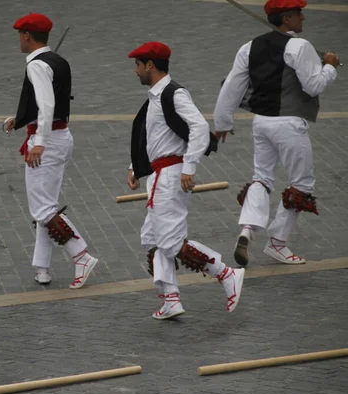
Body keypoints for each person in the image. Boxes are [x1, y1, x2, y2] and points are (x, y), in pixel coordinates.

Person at [214, 0, 340, 266]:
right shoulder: (299, 46)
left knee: (261, 177)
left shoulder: (249, 47)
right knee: (302, 184)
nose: (303, 18)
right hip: (290, 124)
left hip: (262, 122)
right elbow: (313, 85)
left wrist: (223, 122)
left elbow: (232, 87)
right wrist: (329, 66)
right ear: (286, 18)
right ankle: (277, 243)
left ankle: (247, 230)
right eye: (298, 15)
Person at [126, 42, 245, 319]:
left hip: (170, 176)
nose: (135, 71)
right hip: (160, 174)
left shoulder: (173, 93)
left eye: (137, 65)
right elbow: (155, 138)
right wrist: (136, 167)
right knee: (153, 238)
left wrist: (189, 167)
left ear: (150, 66)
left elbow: (199, 127)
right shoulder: (155, 97)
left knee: (169, 242)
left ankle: (226, 273)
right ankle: (170, 299)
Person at [3, 13, 98, 289]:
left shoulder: (37, 65)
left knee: (43, 208)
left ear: (26, 36)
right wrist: (19, 118)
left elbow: (46, 104)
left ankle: (81, 255)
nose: (18, 38)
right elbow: (44, 103)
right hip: (60, 136)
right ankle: (42, 267)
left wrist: (40, 142)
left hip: (47, 142)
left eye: (19, 33)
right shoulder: (57, 61)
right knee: (46, 205)